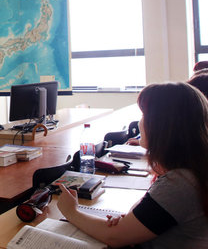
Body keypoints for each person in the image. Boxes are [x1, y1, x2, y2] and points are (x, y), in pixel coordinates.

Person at [57, 82, 208, 248]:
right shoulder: (193, 169)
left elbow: (114, 237)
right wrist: (132, 221)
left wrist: (71, 211)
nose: (139, 123)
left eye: (144, 116)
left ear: (163, 126)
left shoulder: (180, 183)